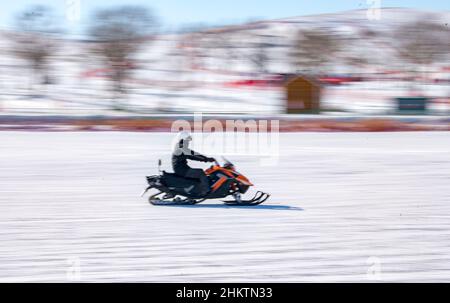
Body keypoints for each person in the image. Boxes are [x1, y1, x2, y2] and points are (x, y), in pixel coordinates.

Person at [172, 131, 215, 196]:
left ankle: (197, 188)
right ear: (183, 139)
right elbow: (193, 156)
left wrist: (205, 158)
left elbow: (193, 153)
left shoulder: (180, 147)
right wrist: (206, 159)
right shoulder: (181, 148)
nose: (188, 142)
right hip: (182, 170)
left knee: (199, 173)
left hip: (181, 168)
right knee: (200, 173)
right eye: (187, 140)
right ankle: (205, 191)